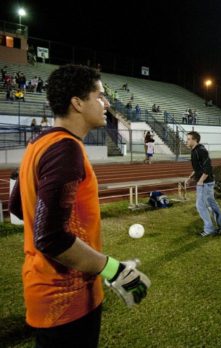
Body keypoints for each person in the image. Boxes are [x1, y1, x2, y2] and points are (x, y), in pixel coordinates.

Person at [8, 65, 151, 348]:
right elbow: (50, 236)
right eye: (99, 96)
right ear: (77, 103)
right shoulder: (66, 148)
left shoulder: (41, 143)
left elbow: (17, 207)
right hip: (66, 299)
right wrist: (115, 270)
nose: (106, 103)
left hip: (47, 291)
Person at [185, 131, 221, 237]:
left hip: (205, 183)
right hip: (207, 182)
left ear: (195, 140)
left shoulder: (201, 151)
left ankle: (209, 229)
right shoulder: (195, 150)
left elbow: (208, 168)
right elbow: (198, 168)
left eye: (188, 139)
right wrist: (190, 177)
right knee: (211, 204)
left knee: (200, 206)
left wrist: (200, 181)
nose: (186, 141)